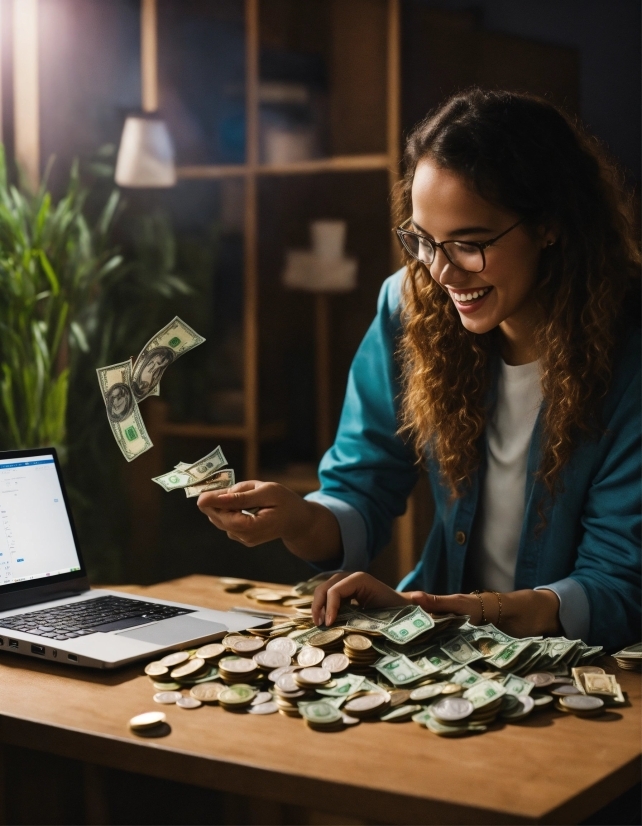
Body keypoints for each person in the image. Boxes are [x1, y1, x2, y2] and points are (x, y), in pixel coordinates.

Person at [198, 89, 641, 652]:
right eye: (424, 242)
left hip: (579, 662)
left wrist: (463, 612)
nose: (441, 273)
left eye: (469, 244)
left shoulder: (628, 354)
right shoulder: (411, 307)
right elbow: (363, 484)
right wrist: (297, 518)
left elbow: (618, 586)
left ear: (549, 224)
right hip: (439, 637)